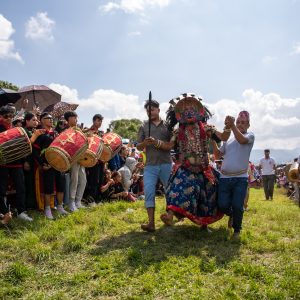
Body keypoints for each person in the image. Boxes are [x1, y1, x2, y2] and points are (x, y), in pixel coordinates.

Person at [159, 94, 231, 229]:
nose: (189, 113)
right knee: (175, 189)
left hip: (204, 169)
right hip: (185, 168)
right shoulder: (177, 131)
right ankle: (170, 215)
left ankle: (205, 224)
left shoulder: (207, 128)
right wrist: (155, 142)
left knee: (208, 197)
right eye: (185, 111)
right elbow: (169, 146)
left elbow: (224, 137)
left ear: (200, 112)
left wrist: (228, 126)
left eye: (192, 110)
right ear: (179, 115)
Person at [213, 111, 255, 238]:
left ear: (248, 125)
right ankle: (231, 214)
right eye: (238, 122)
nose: (240, 124)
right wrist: (213, 140)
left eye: (243, 123)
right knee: (222, 205)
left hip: (240, 178)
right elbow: (217, 155)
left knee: (238, 205)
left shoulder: (250, 135)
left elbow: (242, 140)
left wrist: (232, 126)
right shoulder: (228, 140)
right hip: (225, 177)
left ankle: (237, 230)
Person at [137, 99, 173, 232]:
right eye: (147, 110)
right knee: (149, 192)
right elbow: (138, 146)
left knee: (169, 191)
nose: (149, 112)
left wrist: (158, 142)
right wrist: (145, 143)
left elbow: (172, 144)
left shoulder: (168, 125)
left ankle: (170, 216)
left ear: (158, 110)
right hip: (150, 165)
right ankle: (151, 223)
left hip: (166, 163)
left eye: (152, 110)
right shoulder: (143, 126)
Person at [0, 105, 33, 222]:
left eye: (11, 116)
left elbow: (24, 144)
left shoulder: (15, 129)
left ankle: (21, 212)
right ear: (1, 117)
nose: (9, 118)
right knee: (1, 189)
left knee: (21, 187)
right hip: (2, 164)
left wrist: (24, 161)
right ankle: (4, 213)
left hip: (16, 163)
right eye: (6, 116)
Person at [33, 112, 68, 219]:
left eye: (51, 118)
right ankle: (47, 209)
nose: (51, 119)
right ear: (41, 120)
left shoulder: (56, 133)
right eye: (48, 118)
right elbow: (34, 150)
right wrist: (42, 164)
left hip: (58, 164)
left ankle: (60, 207)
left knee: (61, 186)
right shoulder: (39, 133)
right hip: (47, 164)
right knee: (48, 188)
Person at [64, 111, 87, 211]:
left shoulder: (78, 130)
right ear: (68, 119)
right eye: (74, 118)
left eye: (76, 118)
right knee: (74, 180)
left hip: (80, 158)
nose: (76, 120)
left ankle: (78, 201)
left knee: (83, 180)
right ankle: (71, 202)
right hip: (72, 159)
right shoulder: (65, 131)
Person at [85, 114, 105, 205]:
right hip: (92, 160)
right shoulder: (88, 132)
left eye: (101, 121)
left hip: (101, 160)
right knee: (93, 180)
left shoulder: (101, 133)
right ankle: (90, 200)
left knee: (100, 180)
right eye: (98, 121)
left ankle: (97, 199)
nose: (100, 123)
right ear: (93, 121)